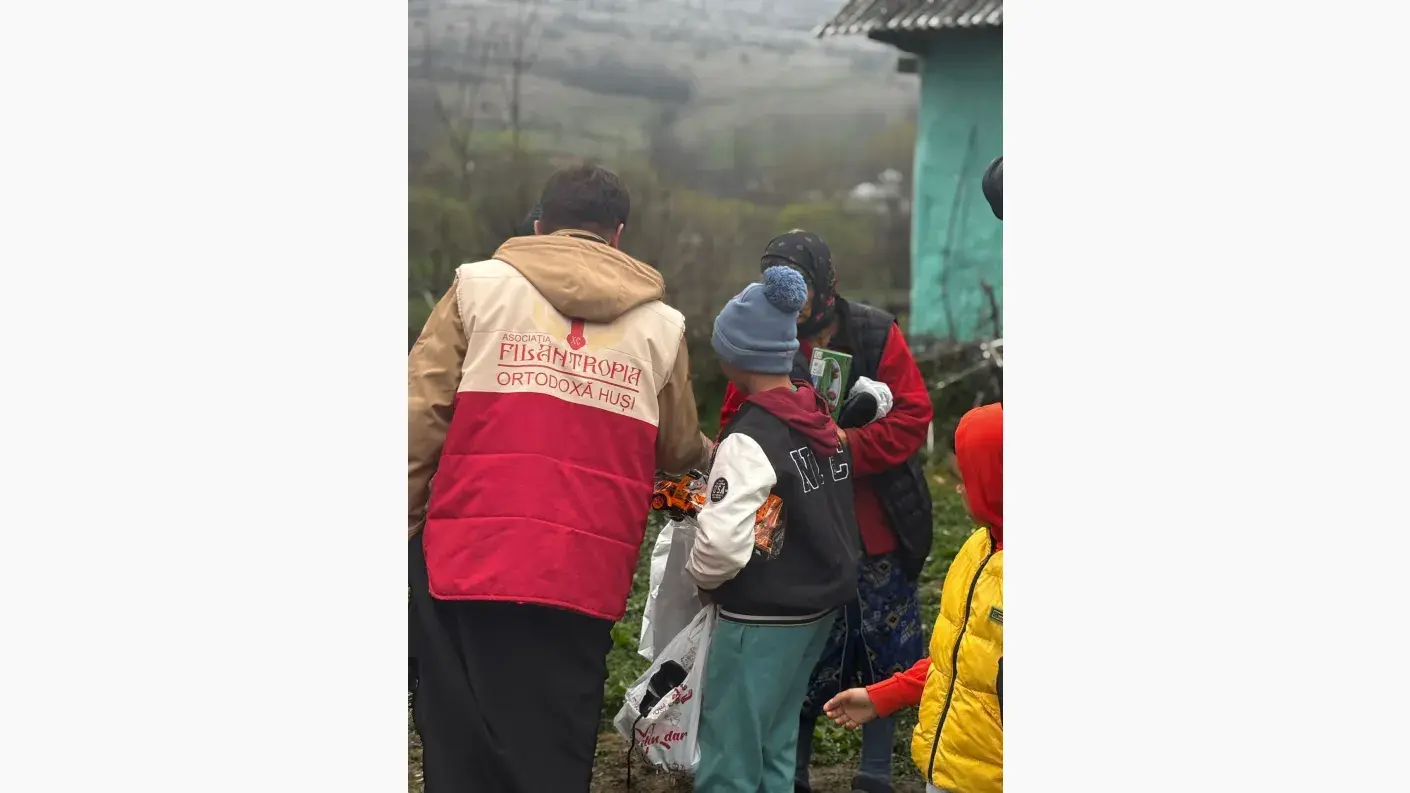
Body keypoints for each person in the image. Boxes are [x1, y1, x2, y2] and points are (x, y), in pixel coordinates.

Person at [407, 163, 712, 793]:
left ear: (541, 224)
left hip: (470, 556)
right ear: (618, 234)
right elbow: (678, 447)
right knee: (554, 736)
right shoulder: (663, 327)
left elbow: (418, 421)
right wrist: (718, 451)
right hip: (584, 569)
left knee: (460, 735)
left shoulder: (476, 289)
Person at [718, 231, 934, 793]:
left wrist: (847, 444)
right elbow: (736, 417)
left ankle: (876, 770)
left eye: (798, 288)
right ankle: (792, 773)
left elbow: (913, 413)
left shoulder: (874, 331)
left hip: (876, 524)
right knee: (805, 654)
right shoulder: (767, 337)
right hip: (803, 529)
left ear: (823, 283)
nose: (788, 303)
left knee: (885, 647)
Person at [688, 265, 862, 793]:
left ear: (736, 357)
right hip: (816, 609)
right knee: (774, 745)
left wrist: (702, 579)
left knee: (731, 757)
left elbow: (720, 544)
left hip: (759, 618)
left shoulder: (749, 437)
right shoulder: (816, 417)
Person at [823, 403, 1003, 793]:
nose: (958, 489)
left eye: (966, 479)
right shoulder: (978, 549)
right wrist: (884, 695)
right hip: (949, 770)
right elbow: (956, 660)